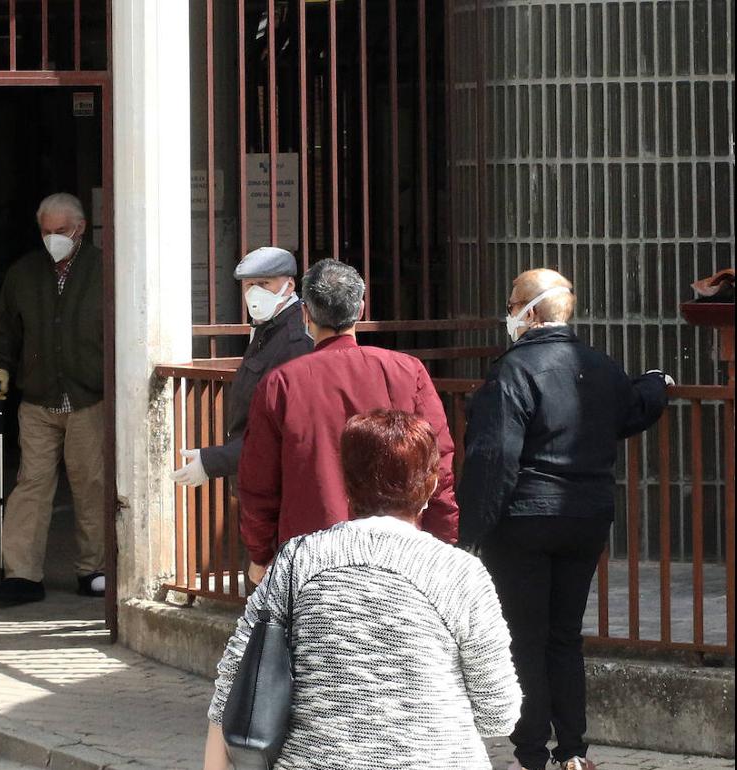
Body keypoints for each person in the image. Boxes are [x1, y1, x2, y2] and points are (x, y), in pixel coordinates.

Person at [205, 410, 521, 770]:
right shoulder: (461, 574)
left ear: (347, 480)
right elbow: (499, 712)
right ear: (431, 483)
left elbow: (234, 678)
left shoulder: (297, 560)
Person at [456, 269, 671, 770]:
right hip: (587, 517)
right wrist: (658, 383)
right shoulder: (597, 364)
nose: (507, 312)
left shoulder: (512, 371)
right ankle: (573, 750)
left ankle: (531, 753)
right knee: (564, 636)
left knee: (524, 637)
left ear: (529, 311)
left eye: (512, 303)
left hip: (524, 521)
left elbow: (493, 458)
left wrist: (469, 533)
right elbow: (634, 407)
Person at [237, 258, 459, 585]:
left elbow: (258, 483)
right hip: (397, 557)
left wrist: (260, 554)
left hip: (311, 558)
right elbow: (437, 464)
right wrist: (442, 540)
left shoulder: (281, 383)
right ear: (362, 310)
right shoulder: (407, 371)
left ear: (306, 314)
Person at [0, 193, 106, 604]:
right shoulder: (23, 273)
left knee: (91, 484)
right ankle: (22, 573)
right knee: (30, 486)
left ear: (81, 228)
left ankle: (95, 568)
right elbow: (7, 328)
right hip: (38, 398)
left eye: (61, 231)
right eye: (46, 231)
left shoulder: (103, 269)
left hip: (88, 397)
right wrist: (1, 366)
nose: (53, 238)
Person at [171, 246, 313, 488]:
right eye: (249, 285)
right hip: (256, 475)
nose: (255, 292)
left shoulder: (294, 340)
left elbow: (282, 429)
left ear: (289, 286)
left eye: (264, 283)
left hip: (277, 483)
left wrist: (213, 461)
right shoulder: (265, 328)